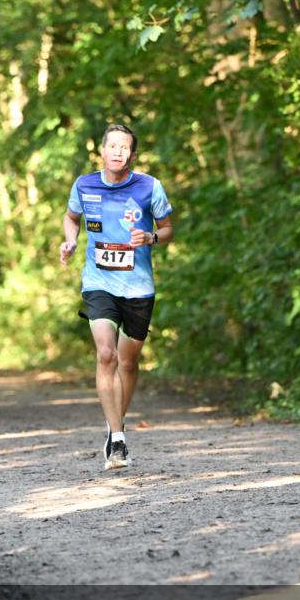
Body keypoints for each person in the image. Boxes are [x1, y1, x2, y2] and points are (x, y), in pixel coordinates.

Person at [60, 124, 173, 470]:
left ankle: (114, 425)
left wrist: (152, 238)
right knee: (106, 354)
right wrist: (71, 240)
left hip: (138, 287)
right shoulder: (84, 185)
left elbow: (168, 228)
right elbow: (71, 218)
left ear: (132, 155)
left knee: (128, 361)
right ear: (102, 150)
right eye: (112, 145)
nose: (117, 152)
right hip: (98, 282)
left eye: (124, 148)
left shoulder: (149, 187)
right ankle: (118, 438)